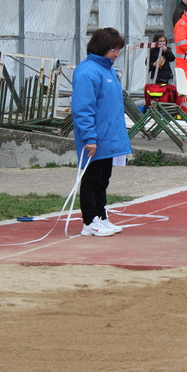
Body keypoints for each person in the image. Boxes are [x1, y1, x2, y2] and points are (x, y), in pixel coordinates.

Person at [71, 27, 131, 237]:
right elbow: (83, 108)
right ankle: (89, 220)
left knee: (104, 178)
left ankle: (100, 215)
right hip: (95, 136)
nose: (117, 54)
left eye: (118, 49)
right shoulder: (87, 71)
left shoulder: (108, 70)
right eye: (113, 50)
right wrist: (89, 137)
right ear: (102, 48)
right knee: (92, 178)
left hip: (108, 135)